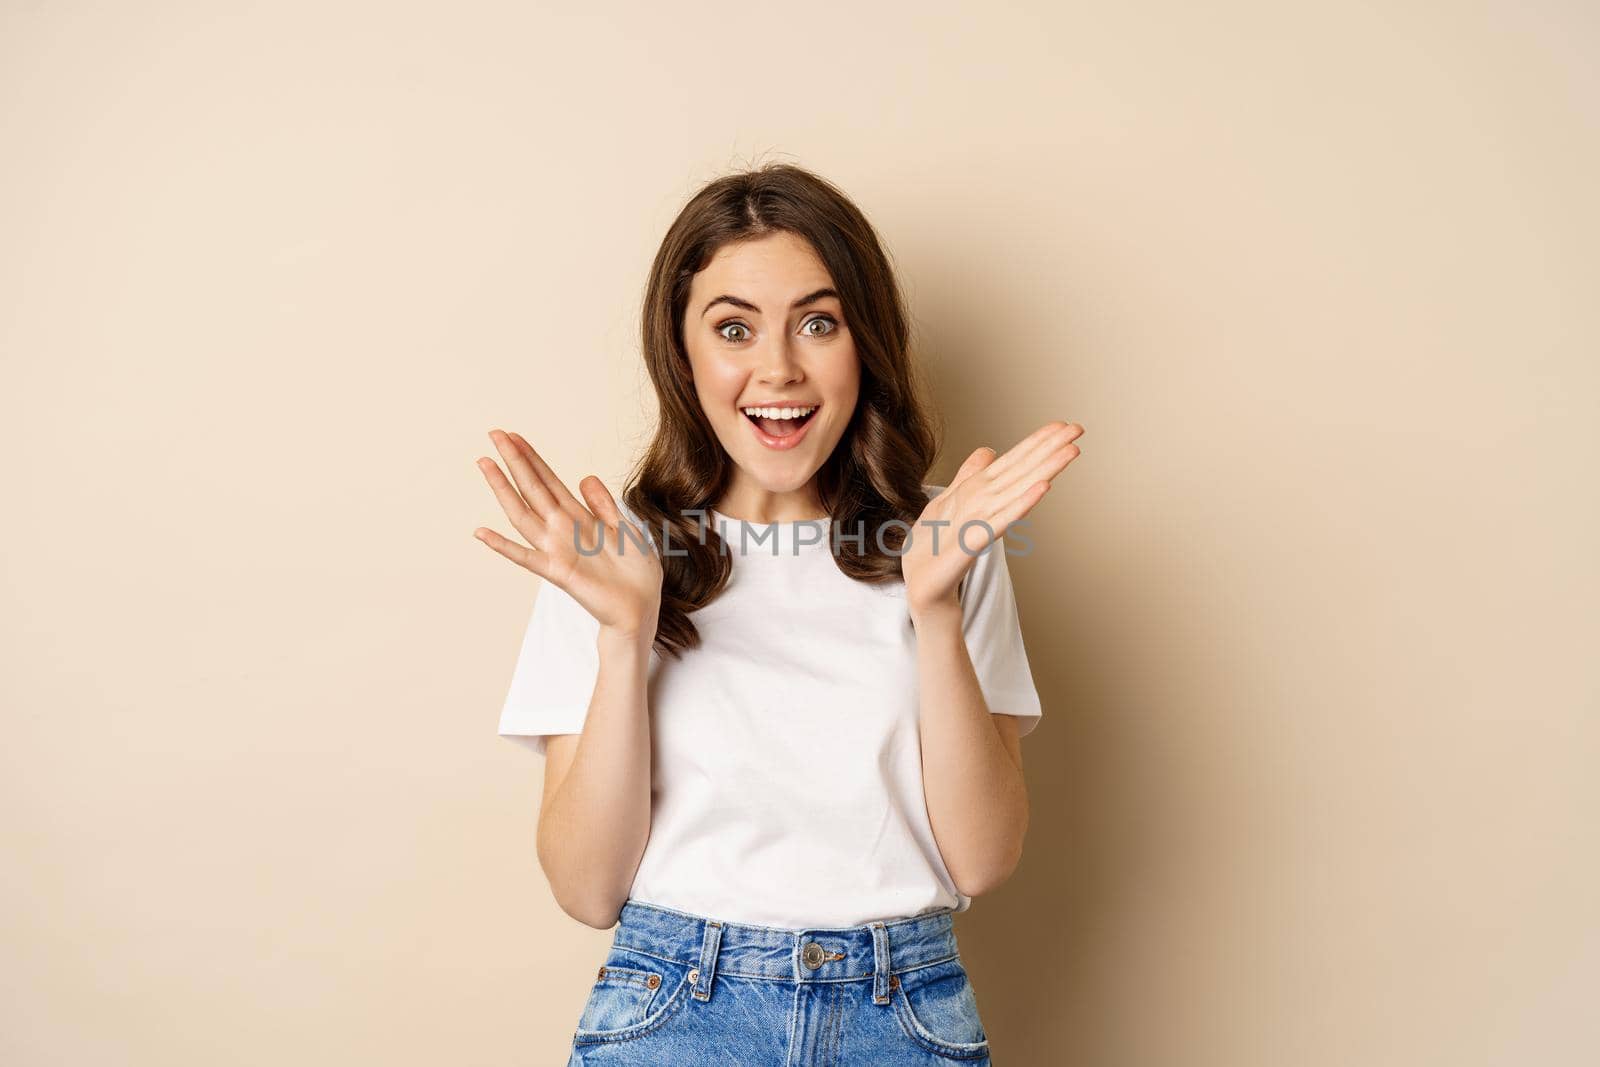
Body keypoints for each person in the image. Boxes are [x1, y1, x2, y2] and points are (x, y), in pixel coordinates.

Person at [473, 163, 1084, 1066]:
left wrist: (937, 606)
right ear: (682, 354)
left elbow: (982, 860)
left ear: (863, 342)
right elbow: (587, 887)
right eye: (733, 328)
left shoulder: (949, 536)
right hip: (674, 1011)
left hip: (904, 1012)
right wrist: (623, 634)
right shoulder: (613, 552)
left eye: (817, 322)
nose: (779, 369)